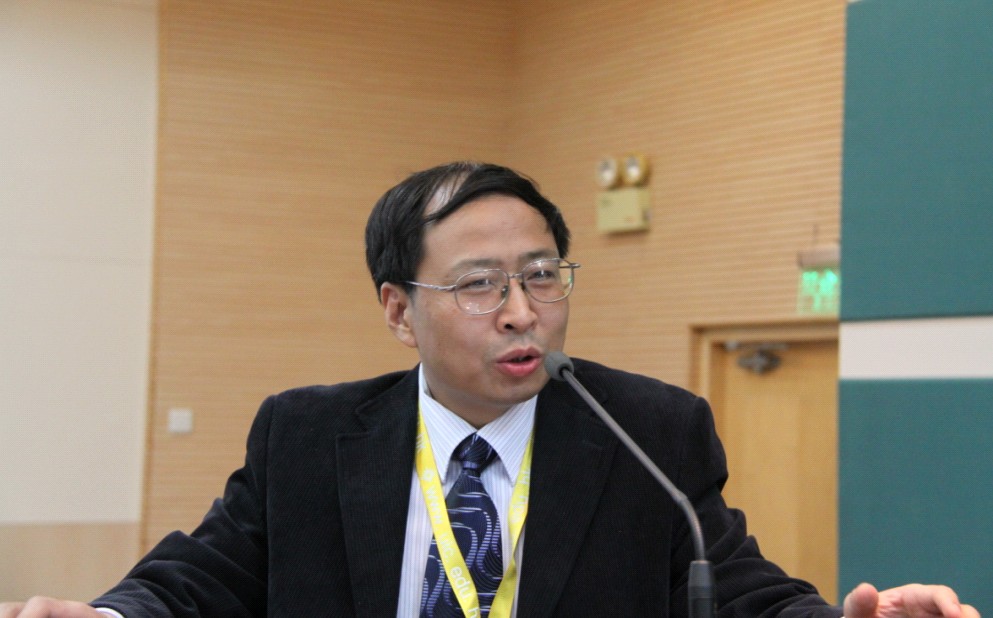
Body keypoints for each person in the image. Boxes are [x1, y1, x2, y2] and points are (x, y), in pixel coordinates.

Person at [0, 162, 979, 618]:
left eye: (543, 277)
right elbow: (200, 580)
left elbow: (738, 592)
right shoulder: (305, 435)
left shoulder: (647, 431)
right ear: (398, 310)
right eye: (479, 285)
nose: (521, 313)